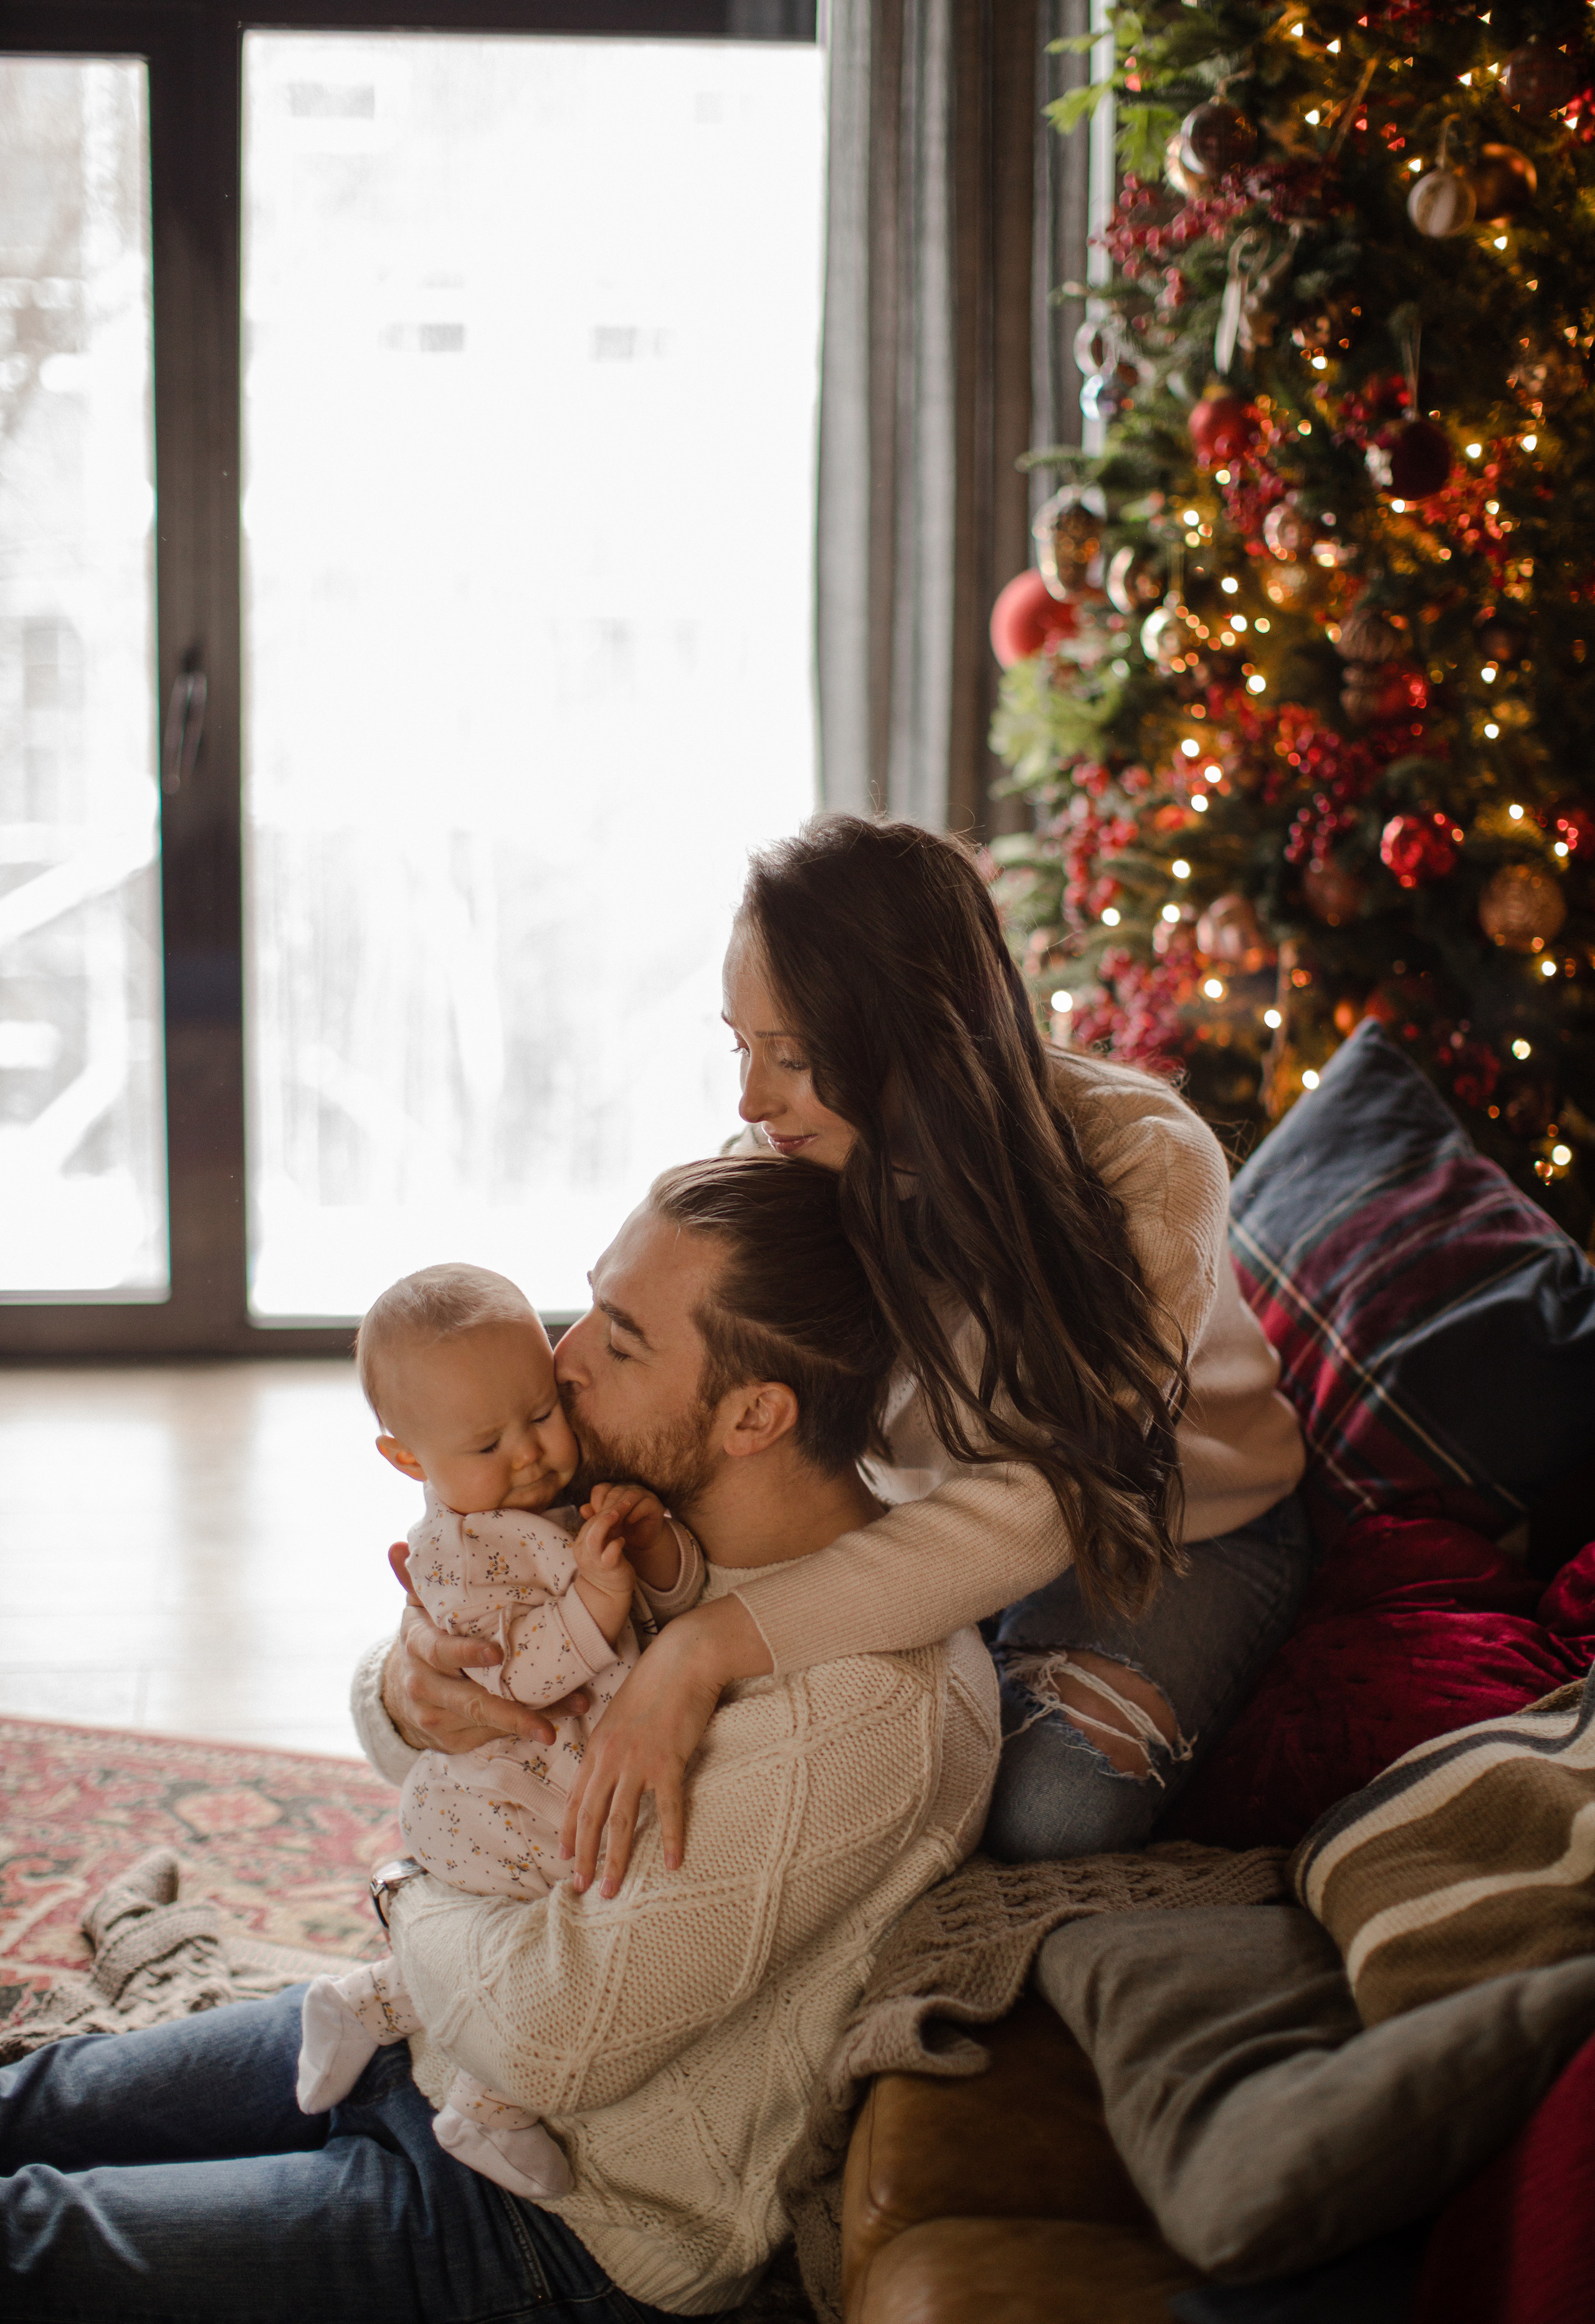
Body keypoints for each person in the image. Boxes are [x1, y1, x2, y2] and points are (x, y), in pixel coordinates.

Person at [1, 1159, 999, 2324]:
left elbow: (550, 2039)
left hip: (559, 2216)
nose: (563, 1362)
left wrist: (402, 1897)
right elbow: (430, 1731)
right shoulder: (637, 1506)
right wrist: (412, 1689)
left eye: (620, 1340)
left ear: (754, 1415)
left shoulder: (872, 1714)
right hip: (417, 2032)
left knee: (31, 2234)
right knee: (46, 2096)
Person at [382, 816, 1310, 1882]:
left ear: (915, 1033)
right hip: (916, 1526)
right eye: (741, 1046)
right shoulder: (785, 1158)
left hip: (1180, 1528)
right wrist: (414, 1669)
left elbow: (1042, 1505)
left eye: (793, 1056)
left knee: (1049, 1813)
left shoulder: (1148, 1167)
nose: (750, 1099)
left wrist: (703, 1646)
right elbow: (645, 1400)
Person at [295, 1260, 705, 2204]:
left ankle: (361, 2005)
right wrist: (597, 1600)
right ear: (409, 1462)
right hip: (503, 1799)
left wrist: (654, 1552)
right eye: (488, 1442)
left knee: (547, 1933)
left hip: (553, 1779)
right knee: (552, 1931)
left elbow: (677, 1597)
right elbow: (511, 1678)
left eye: (542, 1413)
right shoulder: (457, 1550)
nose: (531, 1454)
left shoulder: (552, 1492)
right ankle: (488, 2108)